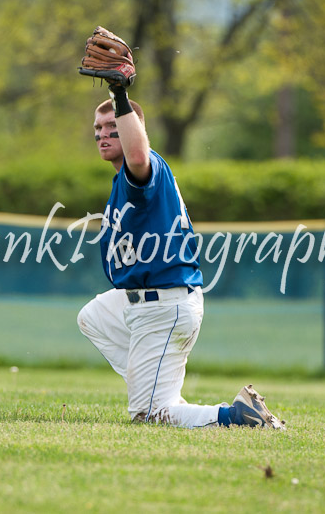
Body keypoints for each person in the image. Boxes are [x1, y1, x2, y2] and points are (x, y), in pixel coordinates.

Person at [76, 83, 286, 429]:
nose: (103, 134)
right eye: (98, 128)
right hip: (145, 300)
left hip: (164, 305)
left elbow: (138, 156)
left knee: (149, 416)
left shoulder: (142, 171)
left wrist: (119, 95)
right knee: (93, 316)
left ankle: (237, 416)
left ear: (135, 130)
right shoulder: (123, 182)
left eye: (113, 126)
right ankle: (161, 391)